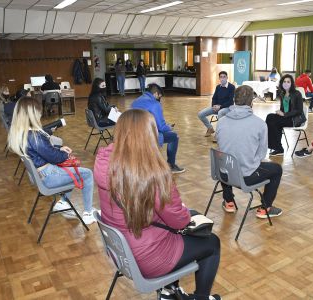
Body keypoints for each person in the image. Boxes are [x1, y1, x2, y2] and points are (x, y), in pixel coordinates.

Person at [94, 109, 221, 300]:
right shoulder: (151, 173)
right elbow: (178, 221)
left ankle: (169, 292)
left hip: (121, 250)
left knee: (181, 221)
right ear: (149, 134)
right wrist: (185, 211)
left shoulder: (104, 162)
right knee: (212, 242)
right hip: (148, 257)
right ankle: (201, 297)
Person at [7, 97, 98, 224]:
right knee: (87, 174)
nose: (40, 115)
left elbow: (42, 150)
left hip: (42, 174)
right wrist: (65, 155)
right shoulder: (34, 136)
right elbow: (54, 158)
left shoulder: (22, 134)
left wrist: (60, 148)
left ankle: (63, 203)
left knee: (72, 172)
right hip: (49, 176)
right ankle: (88, 213)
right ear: (32, 114)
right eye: (38, 113)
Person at [216, 85, 283, 218]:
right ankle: (266, 207)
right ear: (251, 102)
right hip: (245, 177)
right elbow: (261, 154)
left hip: (223, 173)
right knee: (277, 169)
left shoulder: (221, 121)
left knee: (226, 160)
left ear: (234, 100)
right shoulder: (259, 124)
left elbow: (221, 146)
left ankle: (229, 201)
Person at [132, 84, 185, 174]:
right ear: (156, 94)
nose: (160, 99)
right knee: (174, 136)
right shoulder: (155, 104)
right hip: (148, 136)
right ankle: (171, 166)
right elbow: (161, 127)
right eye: (160, 96)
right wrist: (169, 127)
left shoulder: (136, 101)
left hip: (134, 134)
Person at [265, 74, 305, 156]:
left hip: (294, 119)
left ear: (292, 83)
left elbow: (299, 110)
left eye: (288, 82)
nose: (286, 83)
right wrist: (280, 112)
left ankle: (278, 148)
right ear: (282, 83)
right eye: (284, 81)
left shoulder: (297, 94)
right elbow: (283, 109)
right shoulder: (282, 93)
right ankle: (277, 147)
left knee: (275, 122)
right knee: (270, 117)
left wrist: (284, 114)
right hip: (285, 117)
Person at [197, 71, 235, 138]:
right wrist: (214, 106)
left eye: (224, 77)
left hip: (227, 108)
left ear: (227, 78)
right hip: (217, 107)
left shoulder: (231, 87)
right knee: (200, 114)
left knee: (220, 113)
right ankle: (210, 128)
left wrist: (220, 107)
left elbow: (230, 101)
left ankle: (218, 134)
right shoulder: (218, 87)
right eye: (221, 77)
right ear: (219, 78)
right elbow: (214, 98)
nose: (222, 79)